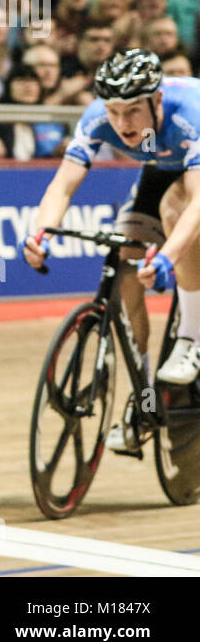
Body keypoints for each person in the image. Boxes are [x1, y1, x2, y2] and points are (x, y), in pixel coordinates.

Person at [25, 50, 200, 454]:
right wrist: (40, 235)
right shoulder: (98, 118)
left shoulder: (187, 112)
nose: (122, 125)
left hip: (192, 174)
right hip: (162, 165)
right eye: (114, 111)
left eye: (133, 111)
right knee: (126, 263)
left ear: (157, 101)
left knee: (176, 211)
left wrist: (168, 260)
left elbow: (195, 204)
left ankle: (191, 337)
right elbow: (63, 186)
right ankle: (144, 402)